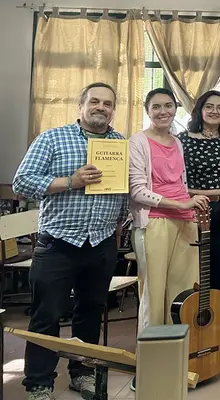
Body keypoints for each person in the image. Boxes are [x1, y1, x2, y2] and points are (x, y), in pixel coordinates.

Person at [13, 83, 128, 400]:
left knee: (90, 312)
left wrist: (119, 224)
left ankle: (82, 374)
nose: (101, 107)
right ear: (81, 105)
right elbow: (22, 182)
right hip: (57, 245)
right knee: (46, 317)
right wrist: (70, 181)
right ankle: (39, 384)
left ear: (113, 110)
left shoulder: (120, 144)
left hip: (101, 244)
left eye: (107, 103)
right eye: (95, 101)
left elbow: (122, 193)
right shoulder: (52, 138)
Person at [129, 88, 209, 330]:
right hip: (154, 221)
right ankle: (152, 348)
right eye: (156, 107)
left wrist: (189, 206)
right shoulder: (137, 141)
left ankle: (177, 345)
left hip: (185, 220)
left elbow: (180, 184)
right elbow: (137, 191)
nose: (163, 111)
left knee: (182, 291)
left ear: (175, 109)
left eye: (168, 106)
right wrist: (181, 204)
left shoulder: (177, 142)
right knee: (153, 292)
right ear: (147, 111)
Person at [178, 90, 220, 305]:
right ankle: (192, 313)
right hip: (194, 208)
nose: (215, 111)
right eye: (209, 106)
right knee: (193, 265)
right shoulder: (183, 140)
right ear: (200, 110)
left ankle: (218, 315)